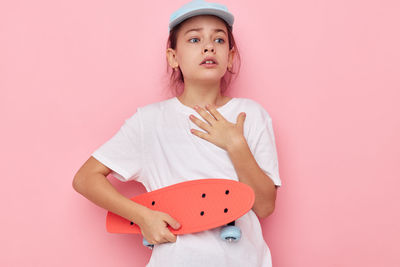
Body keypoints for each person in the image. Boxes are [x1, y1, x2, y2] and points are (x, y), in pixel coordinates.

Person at [72, 0, 282, 266]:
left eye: (219, 40)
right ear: (173, 57)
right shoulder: (149, 122)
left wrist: (235, 144)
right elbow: (85, 178)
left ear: (229, 57)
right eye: (194, 39)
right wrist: (143, 216)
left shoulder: (250, 115)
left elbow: (265, 206)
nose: (208, 46)